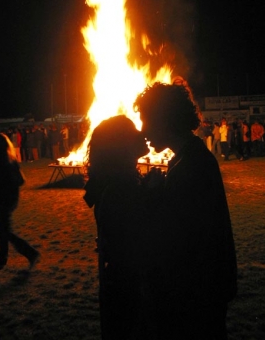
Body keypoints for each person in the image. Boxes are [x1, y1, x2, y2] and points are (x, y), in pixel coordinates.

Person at [134, 82, 237, 340]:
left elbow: (177, 237)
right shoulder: (189, 157)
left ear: (164, 120)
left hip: (196, 293)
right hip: (205, 287)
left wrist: (153, 196)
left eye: (146, 120)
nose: (143, 129)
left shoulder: (189, 165)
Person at [83, 115, 158, 340]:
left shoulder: (120, 185)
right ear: (121, 145)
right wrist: (154, 196)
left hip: (120, 287)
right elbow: (140, 240)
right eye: (133, 130)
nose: (142, 133)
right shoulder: (120, 190)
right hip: (129, 289)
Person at [0, 133, 40, 270]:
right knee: (2, 229)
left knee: (4, 230)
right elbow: (21, 180)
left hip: (3, 198)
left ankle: (30, 253)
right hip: (10, 198)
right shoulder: (11, 158)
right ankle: (2, 256)